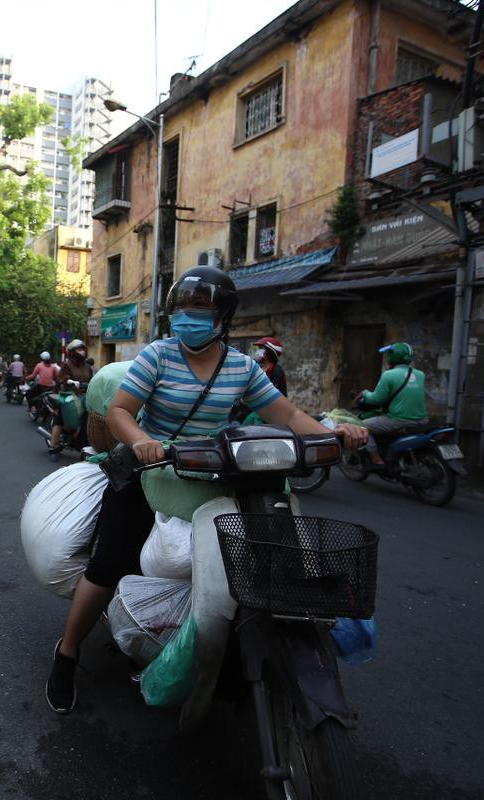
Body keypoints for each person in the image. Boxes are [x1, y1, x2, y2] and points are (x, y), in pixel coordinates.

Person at [44, 266, 368, 714]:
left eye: (201, 310)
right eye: (182, 310)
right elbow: (120, 411)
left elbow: (288, 417)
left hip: (213, 474)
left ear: (223, 317)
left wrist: (332, 437)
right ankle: (68, 651)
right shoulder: (158, 355)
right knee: (109, 562)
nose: (188, 319)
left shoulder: (242, 367)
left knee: (259, 553)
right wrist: (141, 443)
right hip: (152, 470)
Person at [359, 342, 428, 467]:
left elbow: (376, 399)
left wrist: (365, 393)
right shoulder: (420, 375)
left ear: (392, 357)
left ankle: (375, 458)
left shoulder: (388, 375)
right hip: (422, 420)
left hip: (399, 420)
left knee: (361, 427)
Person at [46, 339, 93, 461]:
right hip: (68, 396)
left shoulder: (87, 366)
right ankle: (52, 447)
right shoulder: (67, 364)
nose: (82, 351)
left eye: (83, 348)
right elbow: (61, 377)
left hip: (84, 396)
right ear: (72, 352)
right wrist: (70, 381)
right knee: (59, 421)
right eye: (79, 349)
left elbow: (93, 379)